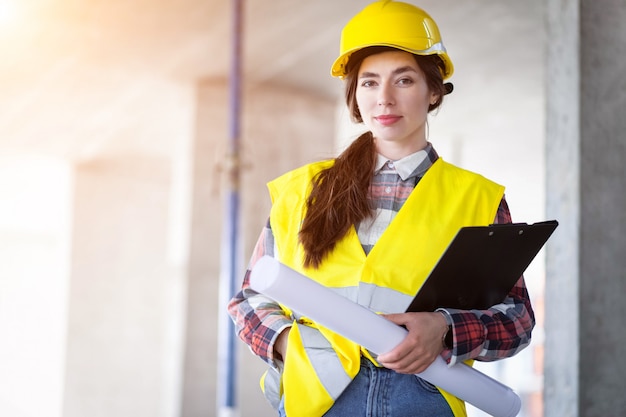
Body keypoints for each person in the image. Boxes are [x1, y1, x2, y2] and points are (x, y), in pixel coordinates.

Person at [228, 1, 535, 416]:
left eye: (403, 80)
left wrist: (444, 329)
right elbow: (250, 299)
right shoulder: (304, 190)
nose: (384, 98)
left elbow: (516, 320)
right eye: (369, 83)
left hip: (422, 394)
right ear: (354, 95)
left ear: (433, 91)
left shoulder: (477, 198)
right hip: (318, 398)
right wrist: (290, 344)